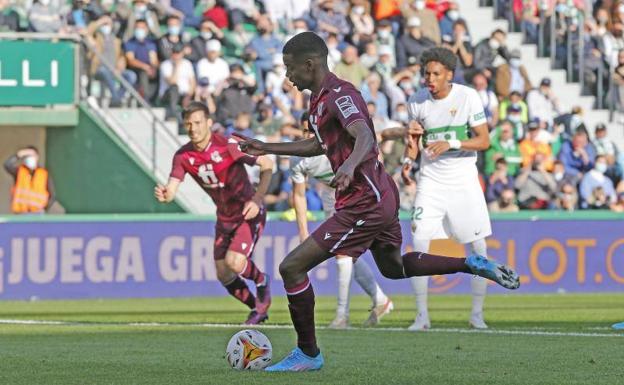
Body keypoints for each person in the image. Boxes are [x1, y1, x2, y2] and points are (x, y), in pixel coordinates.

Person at [236, 33, 519, 372]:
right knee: (393, 268)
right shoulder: (319, 100)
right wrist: (267, 147)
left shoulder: (341, 94)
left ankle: (308, 353)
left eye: (290, 68)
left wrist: (350, 167)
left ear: (309, 64)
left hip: (364, 199)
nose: (288, 76)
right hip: (377, 193)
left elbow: (364, 135)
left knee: (291, 268)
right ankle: (469, 263)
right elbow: (317, 146)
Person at [155, 101, 274, 325]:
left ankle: (262, 281)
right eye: (188, 124)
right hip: (224, 218)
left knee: (235, 262)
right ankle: (256, 308)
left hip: (248, 213)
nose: (193, 128)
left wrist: (257, 199)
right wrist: (166, 194)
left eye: (198, 122)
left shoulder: (228, 144)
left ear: (209, 122)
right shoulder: (183, 156)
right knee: (224, 273)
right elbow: (172, 188)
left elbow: (267, 164)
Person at [403, 47, 497, 331]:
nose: (429, 79)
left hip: (463, 180)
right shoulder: (416, 101)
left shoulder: (467, 96)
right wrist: (408, 160)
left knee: (478, 245)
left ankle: (477, 314)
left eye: (435, 74)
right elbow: (414, 138)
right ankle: (422, 316)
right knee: (419, 241)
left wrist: (453, 144)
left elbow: (484, 141)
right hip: (431, 179)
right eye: (426, 73)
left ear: (449, 76)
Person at [291, 116, 393, 329]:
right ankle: (381, 300)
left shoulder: (340, 144)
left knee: (343, 251)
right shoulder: (300, 160)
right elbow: (299, 196)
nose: (308, 136)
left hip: (361, 194)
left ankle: (342, 315)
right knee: (349, 257)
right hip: (332, 197)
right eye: (305, 132)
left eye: (312, 130)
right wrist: (302, 231)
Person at [4, 146, 55, 214]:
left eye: (31, 155)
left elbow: (52, 195)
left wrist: (45, 209)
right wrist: (19, 154)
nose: (29, 158)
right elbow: (7, 165)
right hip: (21, 212)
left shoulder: (44, 174)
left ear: (37, 157)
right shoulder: (19, 172)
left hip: (38, 213)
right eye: (27, 155)